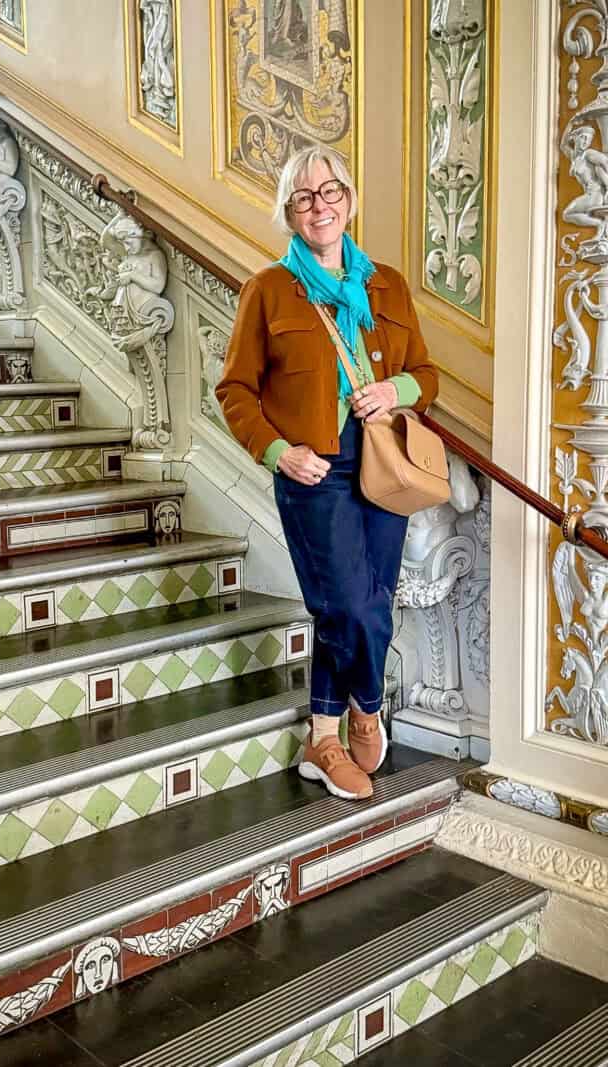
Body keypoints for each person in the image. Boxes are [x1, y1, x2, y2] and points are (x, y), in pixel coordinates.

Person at [216, 145, 439, 800]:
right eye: (305, 197)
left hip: (383, 462)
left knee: (370, 604)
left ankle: (323, 735)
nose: (321, 205)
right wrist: (277, 450)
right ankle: (362, 707)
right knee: (347, 603)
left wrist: (394, 390)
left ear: (350, 199)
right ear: (290, 212)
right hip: (315, 470)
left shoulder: (386, 285)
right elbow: (234, 389)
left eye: (331, 191)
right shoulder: (268, 290)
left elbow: (425, 376)